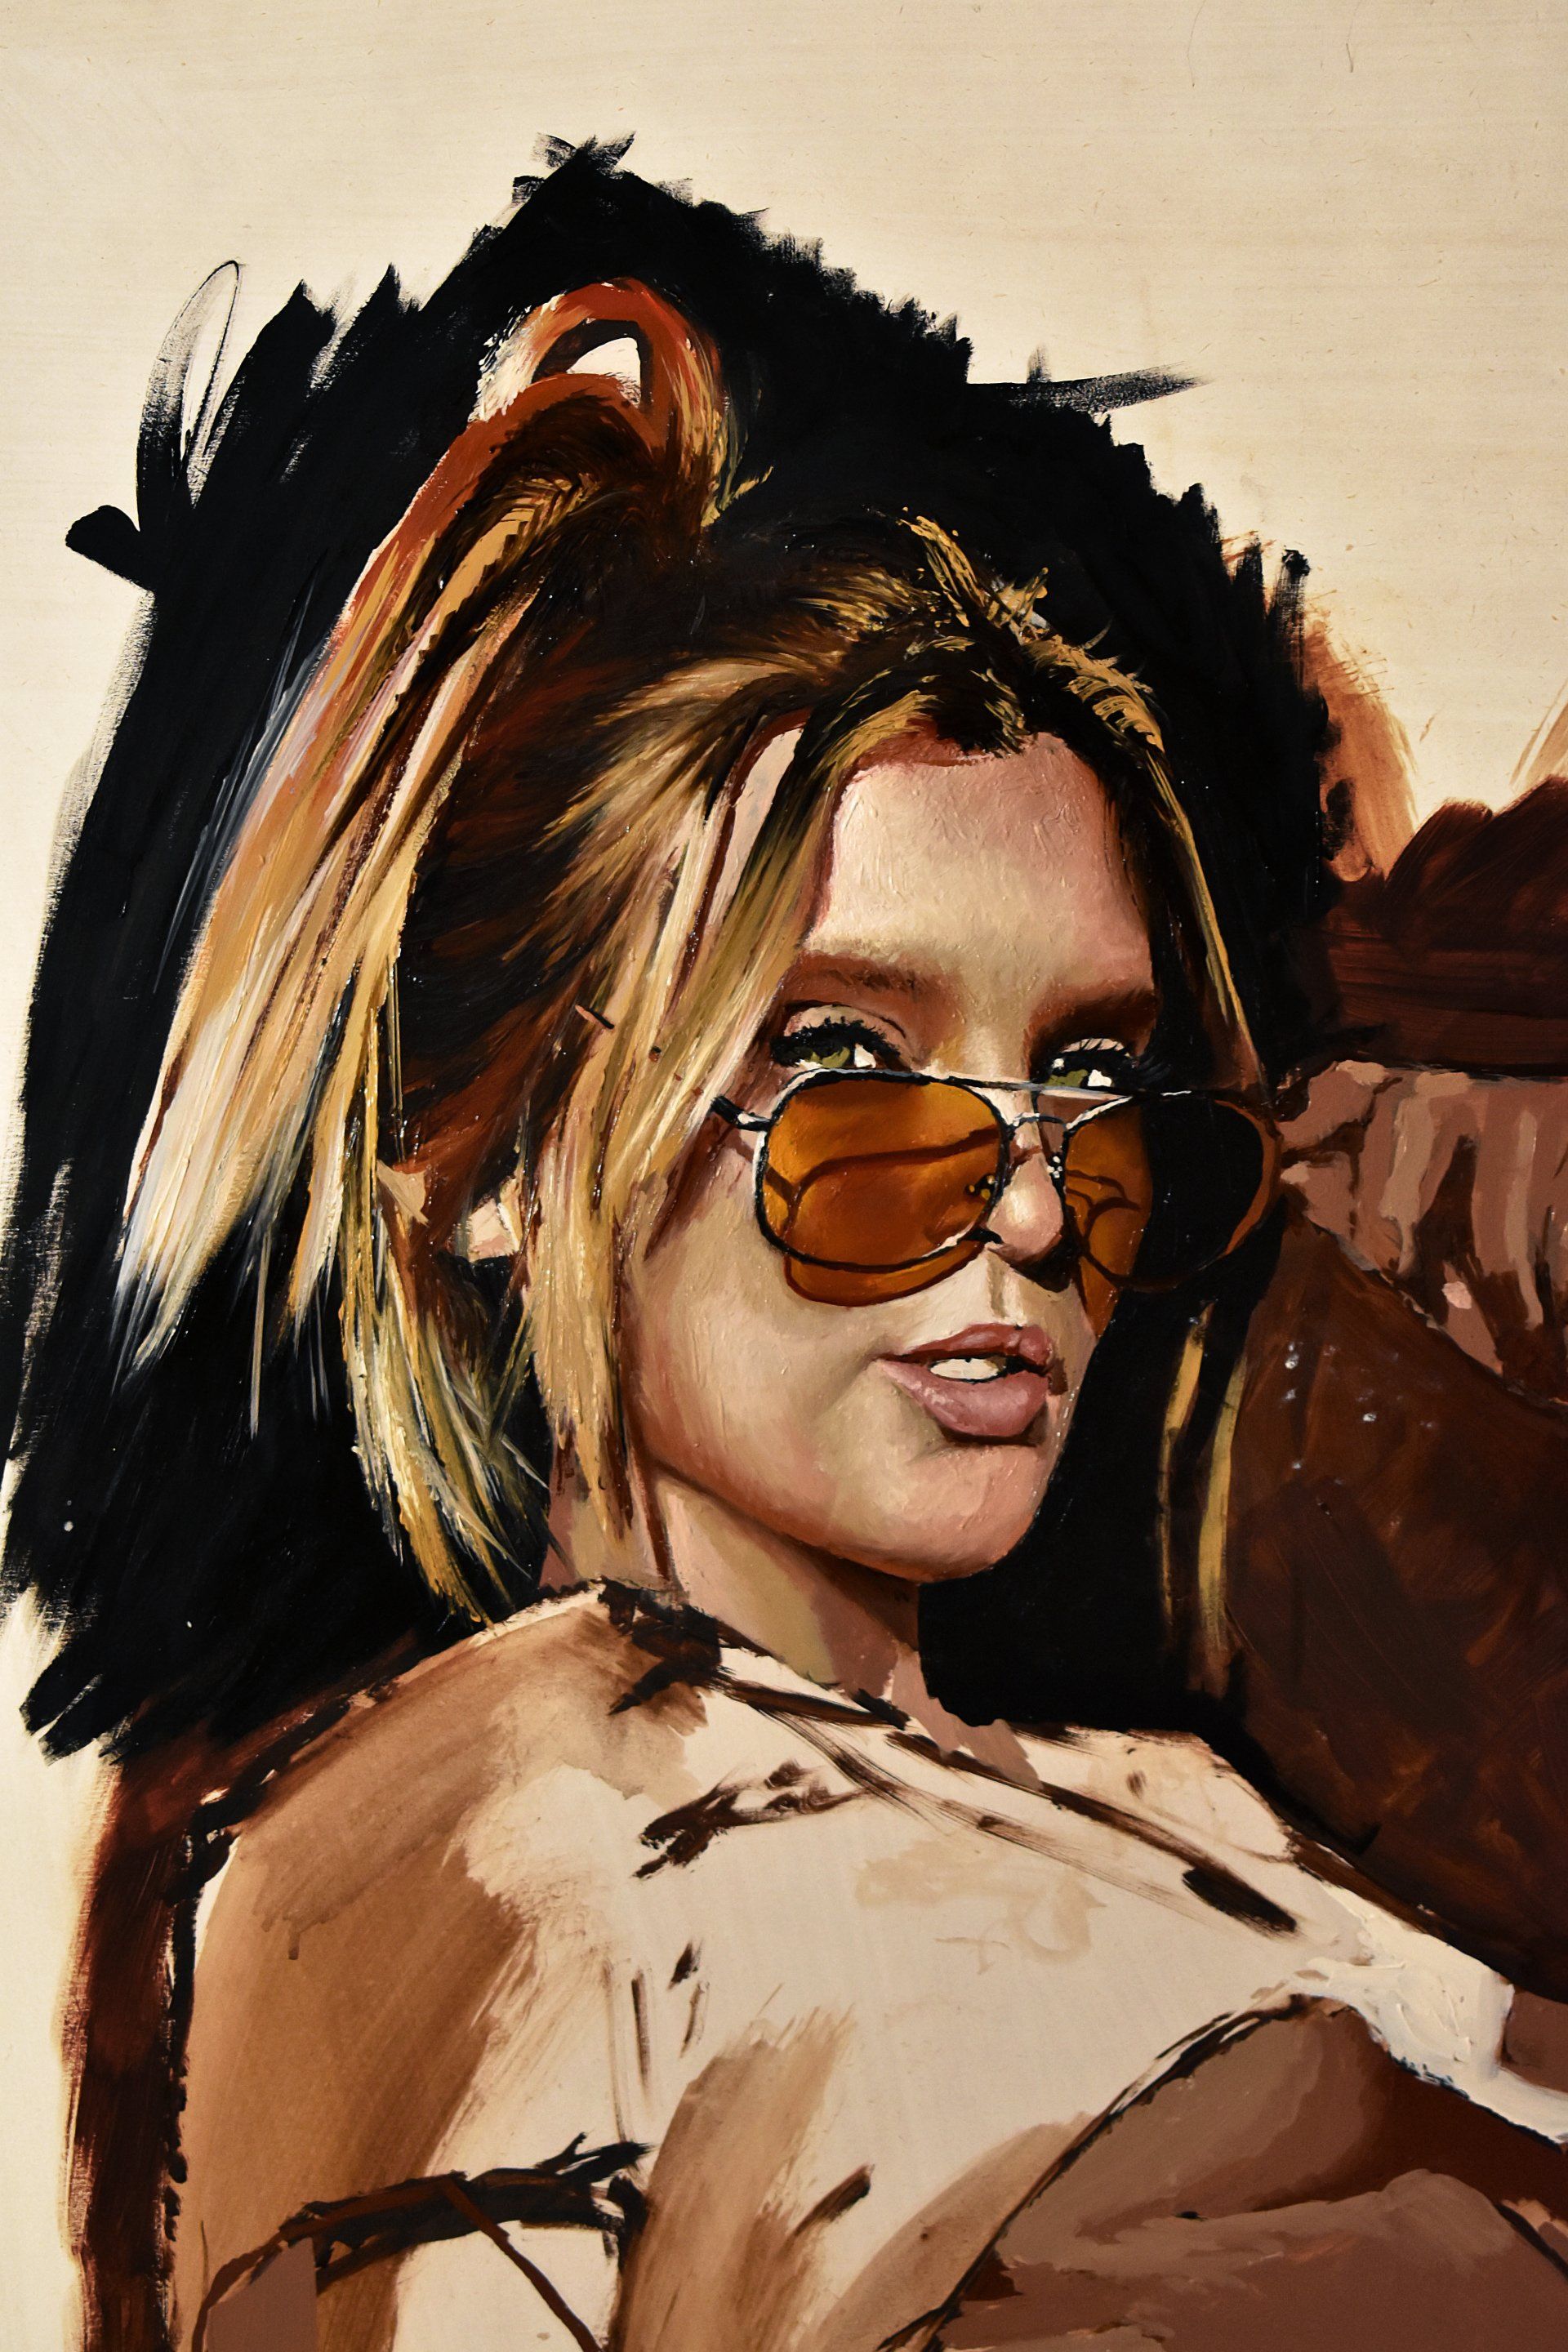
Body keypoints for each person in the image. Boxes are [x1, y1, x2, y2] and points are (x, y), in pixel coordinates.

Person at [6, 149, 1568, 2351]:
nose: (1034, 1204)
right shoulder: (502, 1843)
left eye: (1093, 1076)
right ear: (491, 1154)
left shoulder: (1162, 1798)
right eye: (848, 1059)